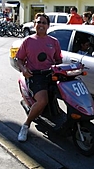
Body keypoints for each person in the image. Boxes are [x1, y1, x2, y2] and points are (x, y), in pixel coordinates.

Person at [16, 12, 63, 141]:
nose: (41, 25)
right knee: (42, 101)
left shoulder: (54, 42)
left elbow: (58, 60)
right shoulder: (28, 40)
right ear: (34, 24)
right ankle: (26, 125)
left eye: (44, 22)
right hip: (35, 75)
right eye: (38, 22)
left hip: (51, 74)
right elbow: (19, 59)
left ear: (48, 26)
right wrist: (24, 69)